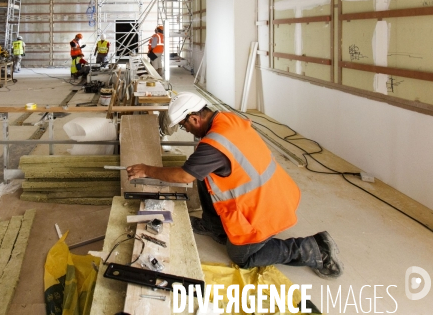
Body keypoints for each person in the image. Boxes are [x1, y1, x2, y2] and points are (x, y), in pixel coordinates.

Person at [126, 92, 343, 280]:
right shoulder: (226, 119)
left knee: (242, 257)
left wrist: (147, 169)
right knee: (201, 171)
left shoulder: (214, 145)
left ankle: (314, 248)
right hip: (274, 191)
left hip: (264, 208)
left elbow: (184, 176)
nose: (187, 130)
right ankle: (215, 228)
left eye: (185, 125)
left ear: (194, 118)